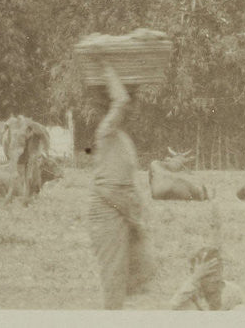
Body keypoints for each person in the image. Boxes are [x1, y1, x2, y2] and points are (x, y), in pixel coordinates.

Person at [88, 63, 155, 309]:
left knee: (143, 267)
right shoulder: (105, 131)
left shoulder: (123, 139)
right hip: (106, 209)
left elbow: (130, 182)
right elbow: (122, 101)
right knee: (114, 278)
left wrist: (139, 214)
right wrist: (107, 68)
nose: (132, 109)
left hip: (124, 208)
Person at [169, 247, 245, 311]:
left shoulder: (232, 291)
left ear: (221, 270)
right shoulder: (190, 291)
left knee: (242, 309)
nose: (211, 280)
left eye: (215, 274)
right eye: (206, 276)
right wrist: (194, 278)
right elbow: (169, 310)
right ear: (194, 273)